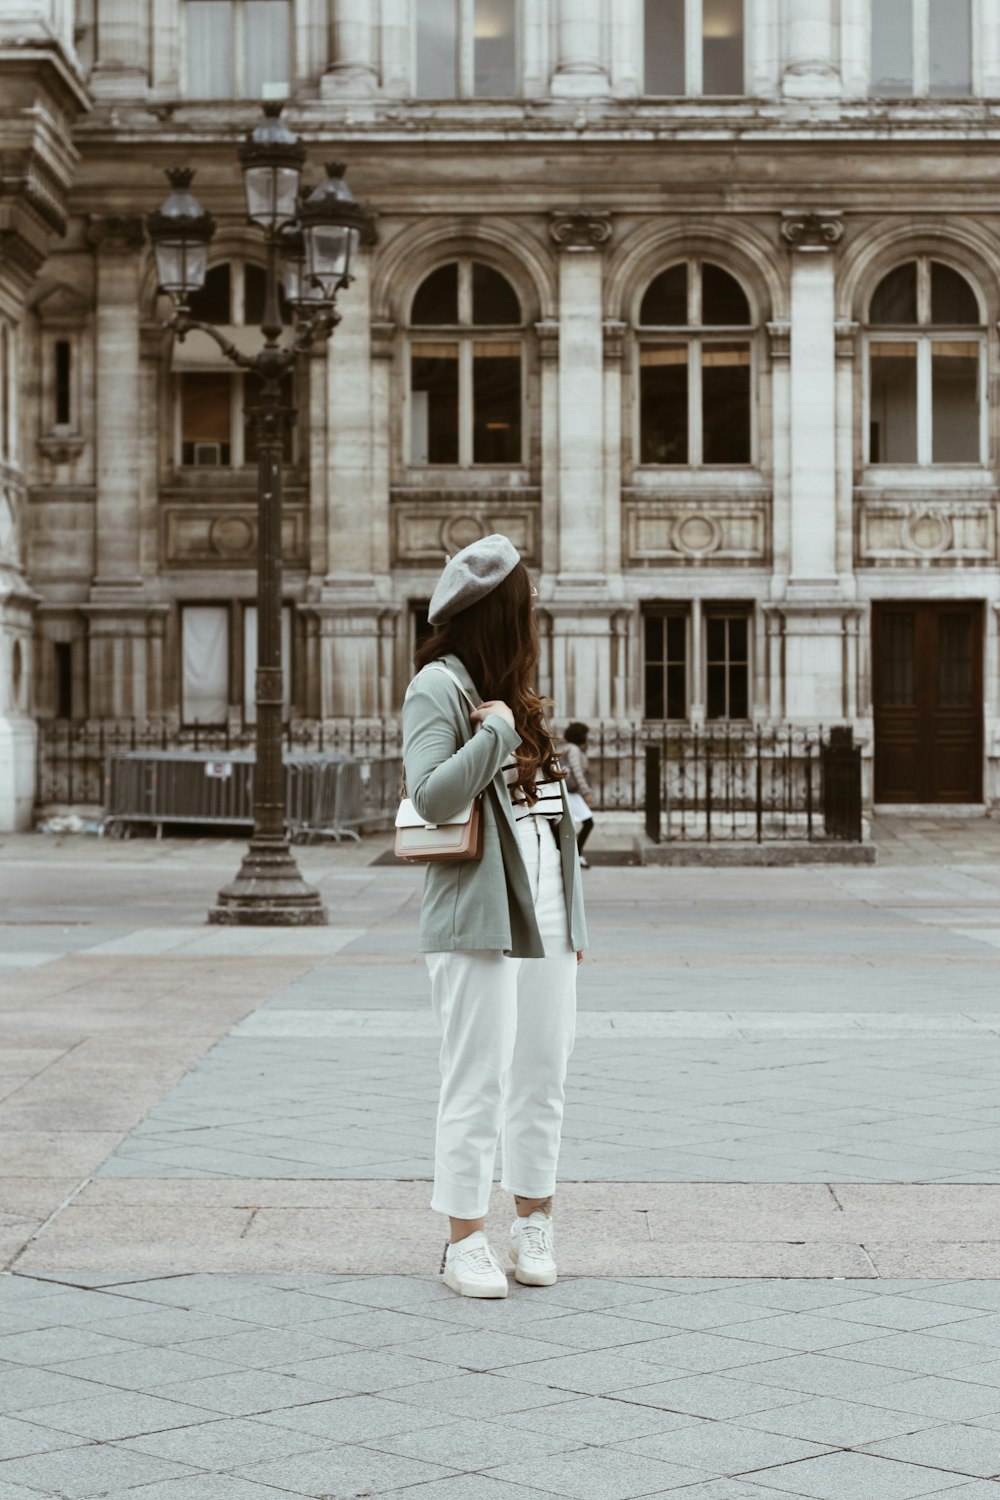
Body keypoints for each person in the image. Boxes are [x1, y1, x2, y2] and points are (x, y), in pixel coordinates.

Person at [402, 535, 588, 1300]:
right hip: (477, 911)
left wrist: (574, 922)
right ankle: (464, 1238)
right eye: (525, 607)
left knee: (543, 1072)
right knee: (475, 1077)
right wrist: (495, 734)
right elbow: (432, 795)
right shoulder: (438, 688)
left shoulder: (515, 692)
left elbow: (550, 815)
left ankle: (534, 1221)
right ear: (499, 614)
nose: (533, 621)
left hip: (545, 905)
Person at [562, 721, 595, 868]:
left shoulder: (570, 748)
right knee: (588, 822)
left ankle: (573, 854)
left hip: (570, 792)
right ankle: (577, 855)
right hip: (571, 793)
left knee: (573, 823)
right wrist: (586, 792)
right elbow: (577, 772)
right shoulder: (574, 750)